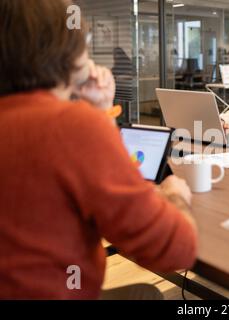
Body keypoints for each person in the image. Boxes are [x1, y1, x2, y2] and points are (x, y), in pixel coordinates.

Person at [0, 0, 197, 299]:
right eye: (85, 41)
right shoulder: (71, 127)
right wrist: (175, 196)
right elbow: (175, 250)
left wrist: (101, 111)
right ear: (66, 52)